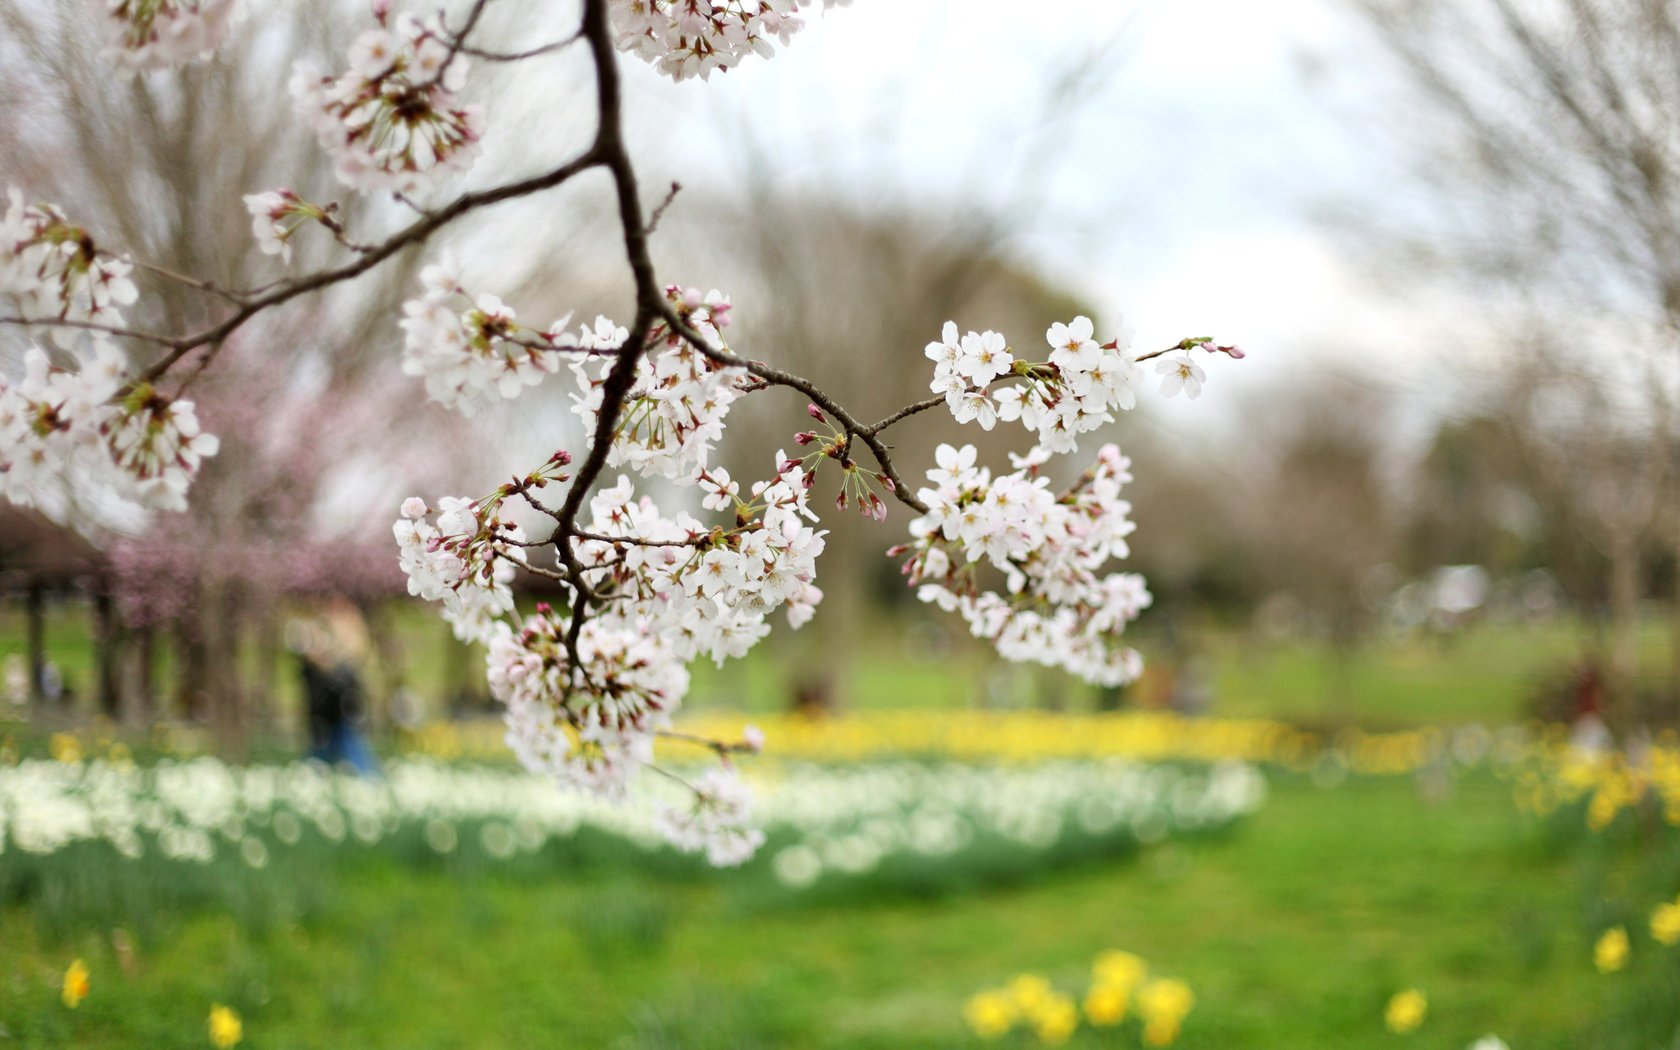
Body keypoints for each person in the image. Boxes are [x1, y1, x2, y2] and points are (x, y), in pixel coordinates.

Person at [289, 599, 379, 775]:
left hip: (343, 715)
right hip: (322, 717)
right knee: (320, 756)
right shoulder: (310, 665)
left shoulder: (342, 665)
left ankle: (369, 779)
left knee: (353, 751)